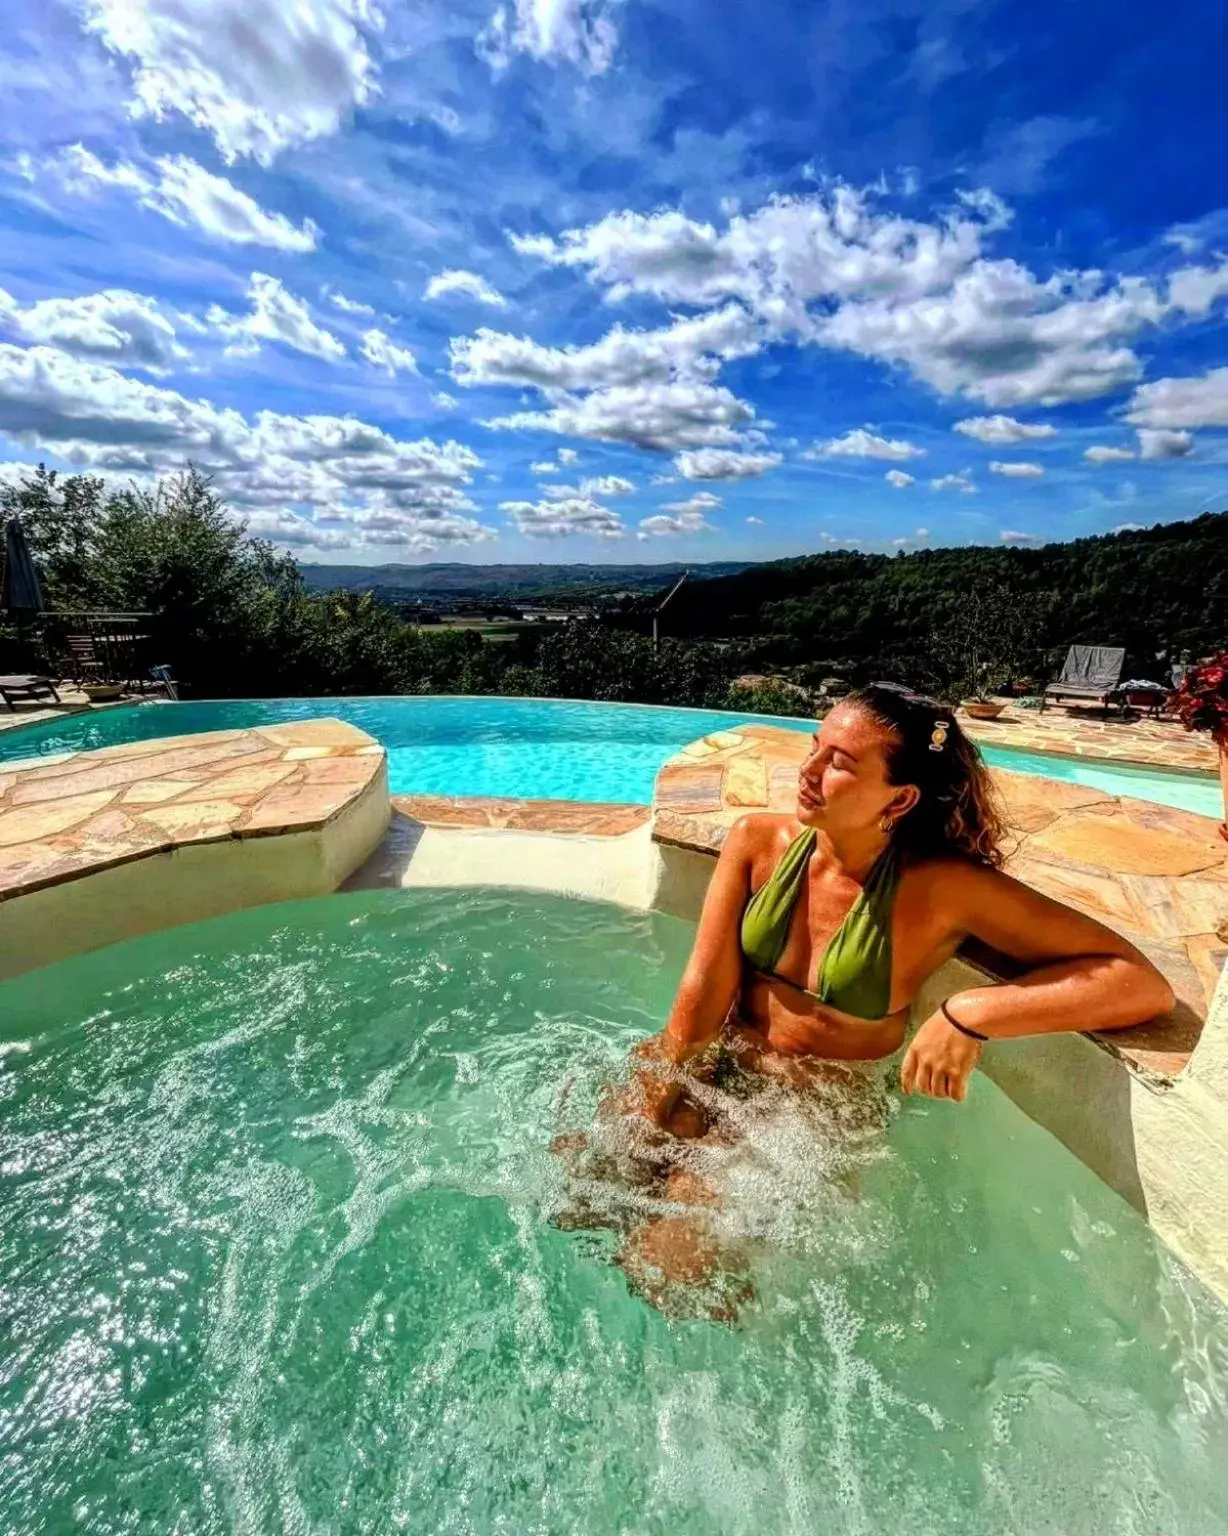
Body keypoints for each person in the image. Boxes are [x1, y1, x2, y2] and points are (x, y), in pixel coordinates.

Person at [574, 682, 1174, 1312]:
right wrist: (662, 1095)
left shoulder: (942, 890)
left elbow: (1137, 982)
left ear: (902, 797)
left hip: (813, 1107)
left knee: (670, 1266)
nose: (806, 772)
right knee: (585, 1189)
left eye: (839, 762)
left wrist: (971, 1014)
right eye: (815, 748)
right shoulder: (757, 842)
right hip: (716, 1060)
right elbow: (699, 997)